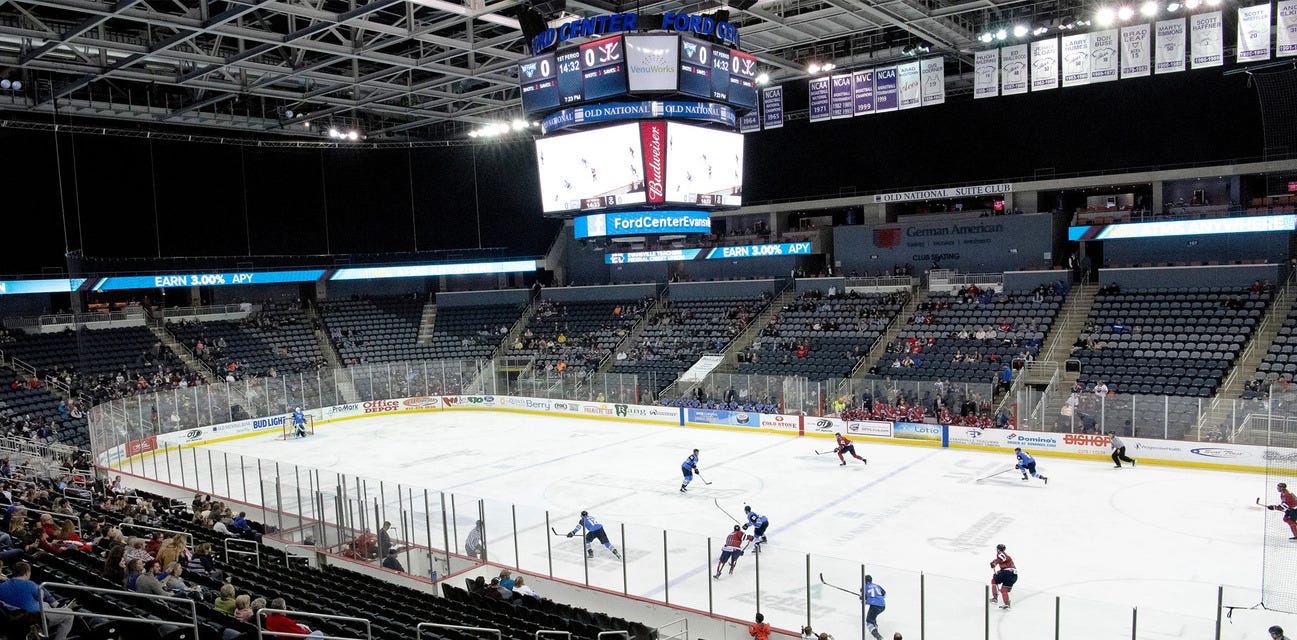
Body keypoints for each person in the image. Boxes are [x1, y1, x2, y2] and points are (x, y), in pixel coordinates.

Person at [0, 561, 74, 640]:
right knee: (69, 613)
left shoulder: (1, 586)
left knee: (46, 604)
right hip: (34, 619)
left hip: (16, 621)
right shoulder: (30, 584)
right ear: (26, 573)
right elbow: (40, 599)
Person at [989, 544, 1018, 609]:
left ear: (998, 549)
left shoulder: (1001, 554)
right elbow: (1005, 567)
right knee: (1004, 590)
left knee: (994, 580)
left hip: (1008, 573)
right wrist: (999, 571)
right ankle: (1007, 604)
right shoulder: (1006, 557)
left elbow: (1002, 557)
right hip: (1014, 576)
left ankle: (995, 598)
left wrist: (995, 562)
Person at [863, 574, 886, 640]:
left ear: (865, 581)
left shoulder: (864, 587)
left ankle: (878, 637)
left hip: (875, 606)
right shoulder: (877, 586)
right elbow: (884, 594)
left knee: (869, 621)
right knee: (873, 618)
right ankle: (876, 632)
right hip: (883, 605)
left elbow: (863, 600)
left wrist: (863, 598)